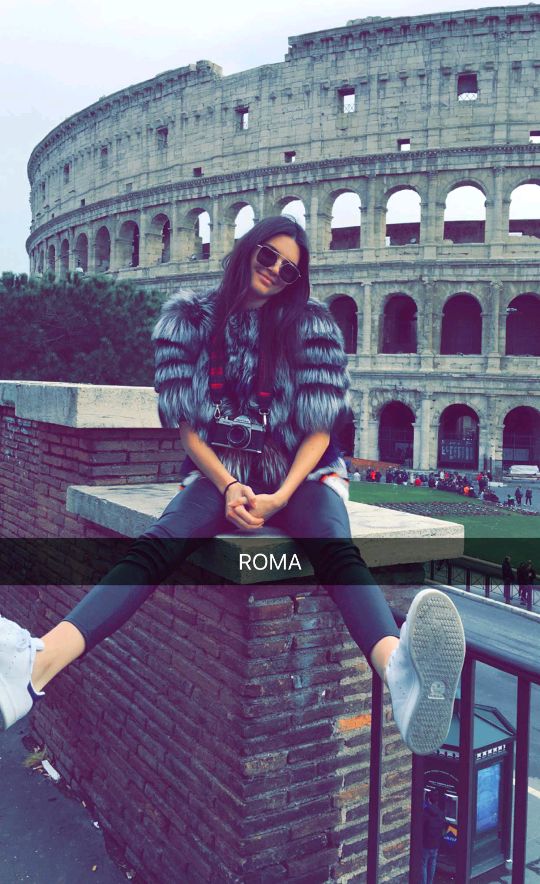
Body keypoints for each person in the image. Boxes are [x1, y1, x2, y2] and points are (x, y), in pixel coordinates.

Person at [0, 215, 465, 758]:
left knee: (336, 550)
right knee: (159, 544)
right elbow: (186, 425)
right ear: (246, 249)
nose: (274, 271)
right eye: (267, 256)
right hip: (220, 470)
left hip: (303, 473)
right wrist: (228, 486)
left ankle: (397, 672)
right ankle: (35, 665)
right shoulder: (187, 320)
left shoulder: (312, 325)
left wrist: (281, 496)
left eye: (289, 270)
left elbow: (319, 430)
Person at [422, 789, 446, 884]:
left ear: (428, 799)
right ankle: (430, 882)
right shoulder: (441, 813)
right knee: (432, 863)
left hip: (425, 844)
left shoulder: (425, 813)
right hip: (435, 844)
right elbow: (444, 829)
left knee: (423, 865)